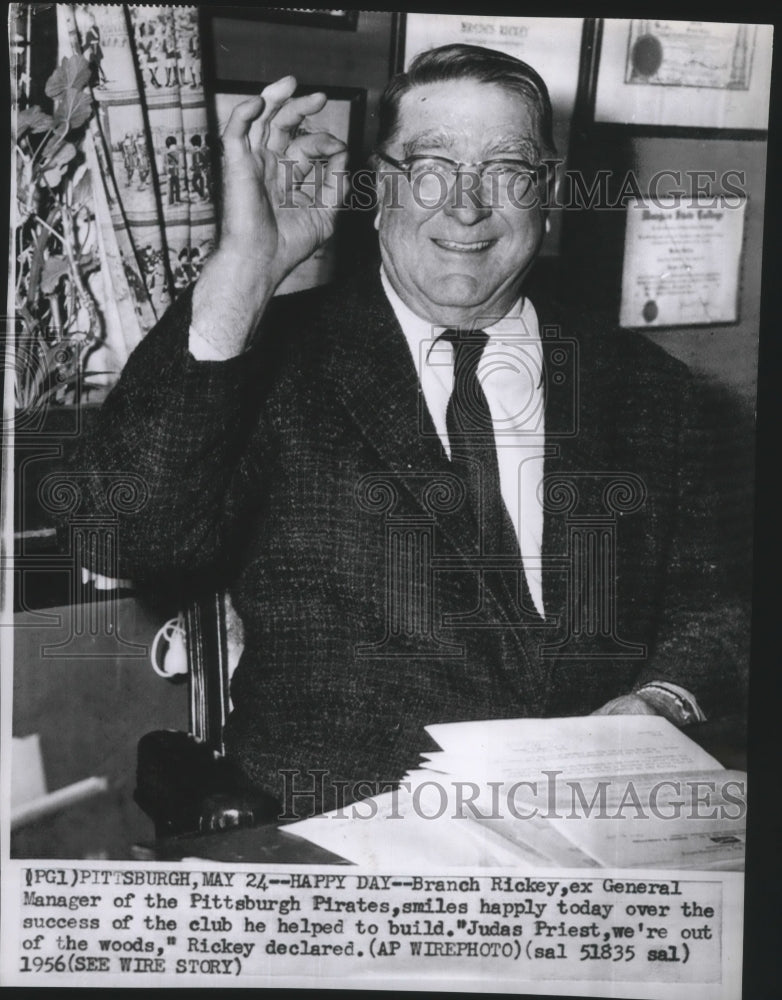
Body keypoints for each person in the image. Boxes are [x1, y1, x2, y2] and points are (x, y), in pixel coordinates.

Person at [69, 46, 747, 817]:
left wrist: (660, 702)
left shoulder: (652, 388)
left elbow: (722, 608)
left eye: (507, 170)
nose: (465, 206)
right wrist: (244, 274)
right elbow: (122, 538)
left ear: (550, 192)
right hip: (341, 843)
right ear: (379, 184)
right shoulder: (270, 364)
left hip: (592, 834)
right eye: (430, 166)